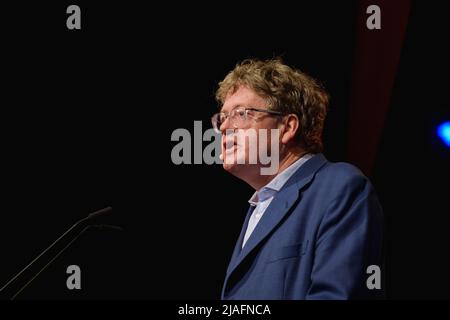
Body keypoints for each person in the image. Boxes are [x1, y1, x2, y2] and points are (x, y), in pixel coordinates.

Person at [211, 58, 384, 299]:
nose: (225, 127)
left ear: (287, 127)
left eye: (241, 113)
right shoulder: (258, 207)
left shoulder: (340, 187)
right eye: (222, 117)